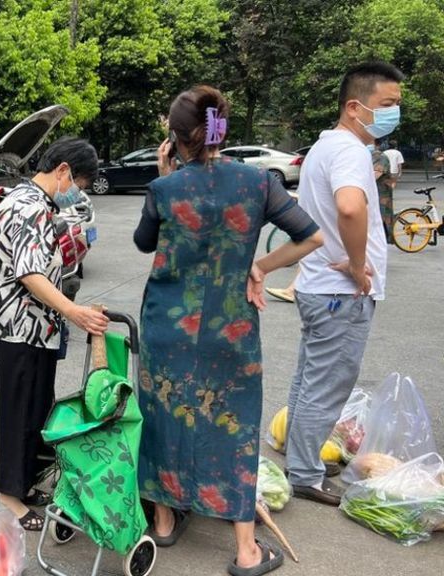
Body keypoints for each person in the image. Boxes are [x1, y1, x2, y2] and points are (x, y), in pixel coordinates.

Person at [134, 86, 322, 576]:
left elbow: (143, 242)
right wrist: (260, 267)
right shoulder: (257, 183)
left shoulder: (164, 189)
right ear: (222, 128)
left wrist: (165, 178)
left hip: (166, 327)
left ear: (176, 138)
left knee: (164, 414)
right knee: (234, 423)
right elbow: (312, 236)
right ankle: (245, 550)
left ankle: (165, 521)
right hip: (231, 328)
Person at [284, 61, 402, 506]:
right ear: (355, 107)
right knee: (327, 383)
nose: (394, 114)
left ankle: (301, 461)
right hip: (340, 293)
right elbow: (350, 208)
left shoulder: (324, 147)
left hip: (319, 288)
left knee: (309, 380)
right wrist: (357, 266)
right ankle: (305, 472)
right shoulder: (351, 151)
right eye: (387, 105)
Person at [0, 137, 109, 531]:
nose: (78, 194)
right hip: (19, 325)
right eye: (80, 186)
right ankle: (9, 496)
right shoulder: (28, 207)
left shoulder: (33, 202)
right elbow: (29, 272)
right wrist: (73, 312)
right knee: (19, 409)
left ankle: (23, 484)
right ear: (64, 171)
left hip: (33, 327)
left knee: (35, 407)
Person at [372, 140, 394, 243]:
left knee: (383, 215)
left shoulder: (380, 157)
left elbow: (376, 174)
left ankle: (386, 237)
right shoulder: (366, 155)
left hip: (381, 193)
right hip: (373, 193)